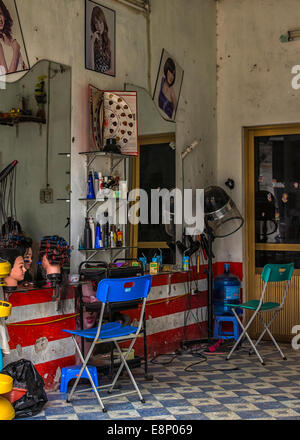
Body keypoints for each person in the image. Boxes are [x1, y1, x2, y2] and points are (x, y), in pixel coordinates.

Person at [0, 0, 26, 74]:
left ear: (4, 15)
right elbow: (8, 78)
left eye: (0, 13)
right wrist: (16, 49)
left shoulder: (9, 38)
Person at [89, 5, 113, 75]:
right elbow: (91, 68)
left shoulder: (108, 42)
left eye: (100, 22)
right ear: (93, 25)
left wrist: (101, 74)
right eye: (96, 23)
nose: (99, 26)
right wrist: (92, 43)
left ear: (104, 22)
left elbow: (112, 70)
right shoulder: (91, 40)